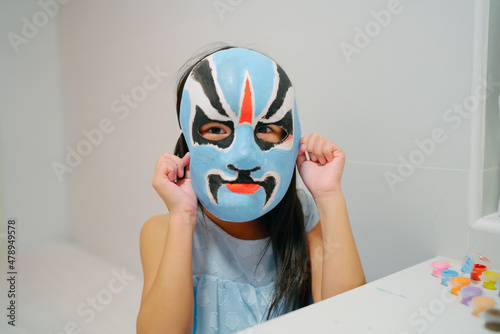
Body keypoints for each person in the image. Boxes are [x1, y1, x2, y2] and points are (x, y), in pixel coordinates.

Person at [136, 46, 365, 334]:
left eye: (266, 128)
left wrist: (329, 196)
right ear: (189, 138)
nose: (243, 157)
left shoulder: (302, 217)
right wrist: (183, 217)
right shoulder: (163, 231)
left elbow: (349, 320)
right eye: (216, 130)